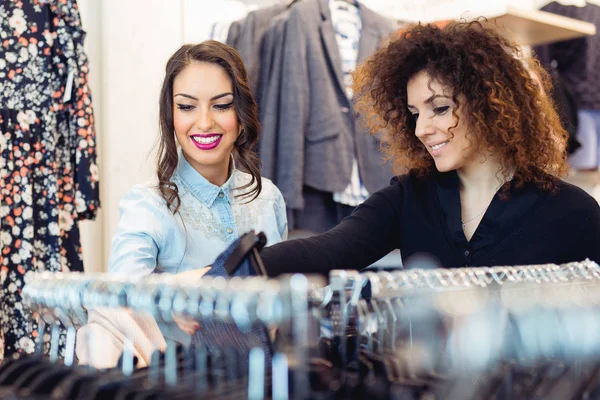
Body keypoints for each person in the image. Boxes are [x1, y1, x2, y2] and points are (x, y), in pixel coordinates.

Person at [256, 20, 600, 277]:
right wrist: (230, 272)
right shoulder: (410, 197)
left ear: (488, 104)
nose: (422, 129)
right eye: (414, 114)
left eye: (440, 108)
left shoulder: (574, 212)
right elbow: (329, 250)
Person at [107, 41, 287, 338]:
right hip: (180, 380)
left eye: (222, 105)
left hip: (263, 376)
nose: (204, 122)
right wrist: (170, 297)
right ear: (171, 116)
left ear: (241, 114)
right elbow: (119, 300)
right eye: (187, 106)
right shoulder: (146, 205)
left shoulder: (268, 198)